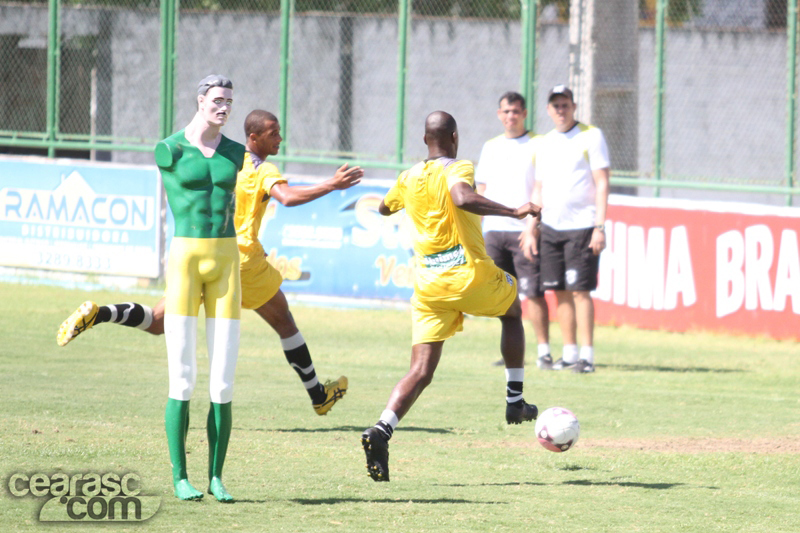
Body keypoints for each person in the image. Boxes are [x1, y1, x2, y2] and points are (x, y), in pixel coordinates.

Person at [57, 109, 361, 422]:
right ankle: (318, 396)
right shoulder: (263, 168)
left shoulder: (226, 159)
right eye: (273, 133)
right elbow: (287, 197)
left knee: (159, 321)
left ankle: (99, 313)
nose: (280, 138)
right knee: (285, 323)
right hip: (242, 261)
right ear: (254, 137)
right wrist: (331, 184)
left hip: (204, 251)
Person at [360, 111, 541, 482]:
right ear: (454, 137)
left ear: (425, 139)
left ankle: (381, 429)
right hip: (468, 275)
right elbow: (461, 196)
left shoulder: (408, 176)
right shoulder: (459, 166)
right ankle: (515, 401)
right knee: (512, 309)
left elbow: (383, 207)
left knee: (420, 371)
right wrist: (514, 211)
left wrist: (409, 200)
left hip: (429, 285)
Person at [522, 85, 610, 374]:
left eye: (565, 104)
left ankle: (587, 356)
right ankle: (569, 353)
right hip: (551, 226)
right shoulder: (545, 142)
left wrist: (599, 226)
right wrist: (531, 227)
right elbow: (538, 188)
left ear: (574, 106)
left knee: (580, 290)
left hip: (582, 226)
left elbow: (602, 183)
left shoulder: (591, 135)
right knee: (558, 290)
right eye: (555, 105)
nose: (561, 110)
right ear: (548, 110)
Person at [475, 91, 551, 369]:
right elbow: (481, 191)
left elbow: (540, 187)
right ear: (499, 114)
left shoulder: (538, 143)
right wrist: (477, 230)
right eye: (506, 111)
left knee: (533, 292)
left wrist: (532, 226)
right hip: (495, 231)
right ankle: (512, 350)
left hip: (523, 232)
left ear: (524, 114)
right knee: (504, 295)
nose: (511, 116)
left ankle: (544, 351)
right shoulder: (491, 147)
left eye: (516, 111)